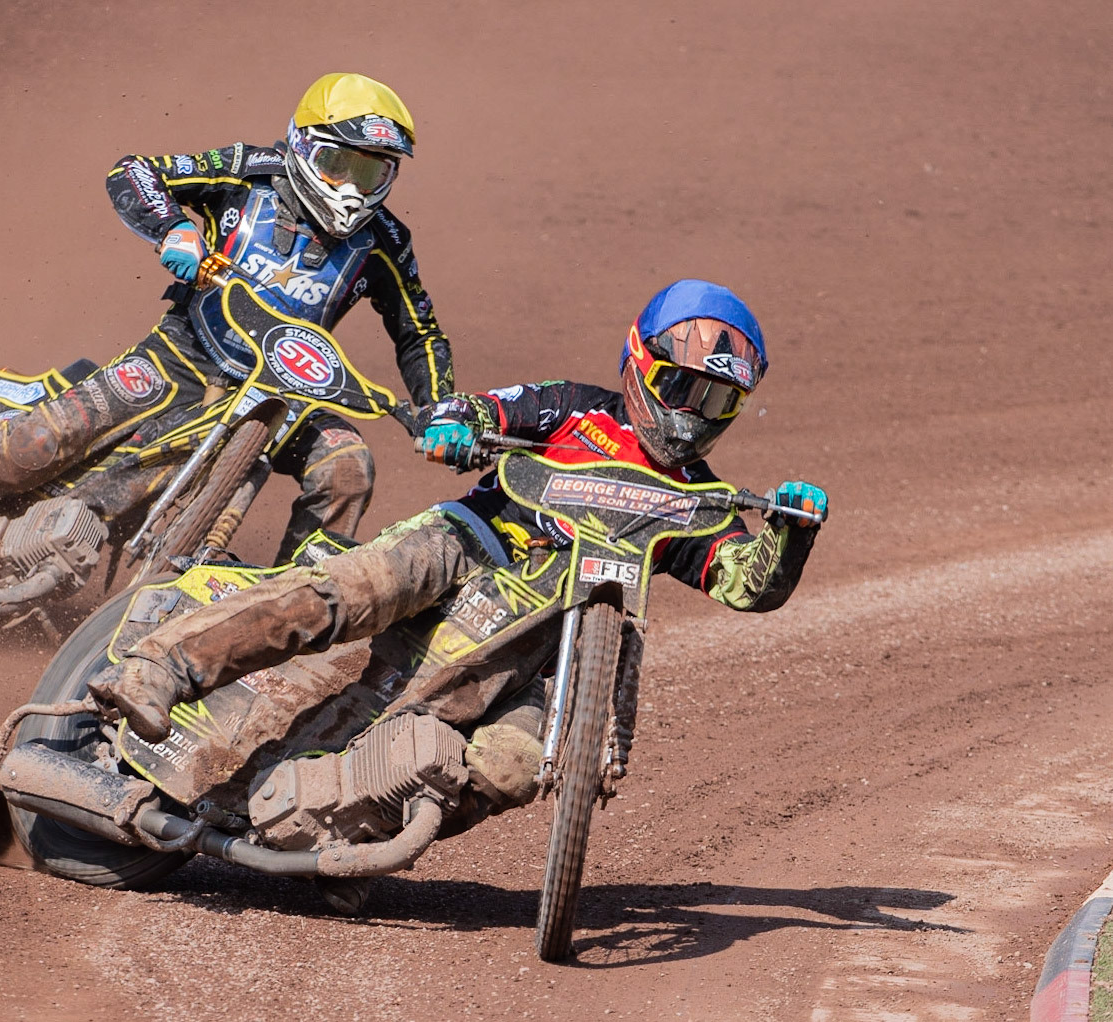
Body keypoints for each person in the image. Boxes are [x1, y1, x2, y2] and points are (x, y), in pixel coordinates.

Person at [89, 278, 829, 827]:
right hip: (468, 549)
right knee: (350, 590)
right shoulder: (576, 409)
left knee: (509, 767)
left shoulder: (699, 498)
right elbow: (483, 409)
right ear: (641, 364)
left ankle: (338, 830)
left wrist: (791, 533)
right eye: (682, 388)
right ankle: (160, 668)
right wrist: (457, 426)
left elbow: (747, 586)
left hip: (544, 642)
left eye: (717, 403)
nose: (693, 417)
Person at [0, 72, 454, 574]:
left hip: (282, 397)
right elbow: (136, 172)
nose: (351, 184)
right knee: (39, 443)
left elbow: (419, 332)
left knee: (347, 467)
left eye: (371, 171)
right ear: (305, 145)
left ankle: (292, 611)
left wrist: (443, 408)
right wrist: (173, 227)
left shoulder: (385, 242)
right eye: (341, 162)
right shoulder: (248, 171)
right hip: (181, 357)